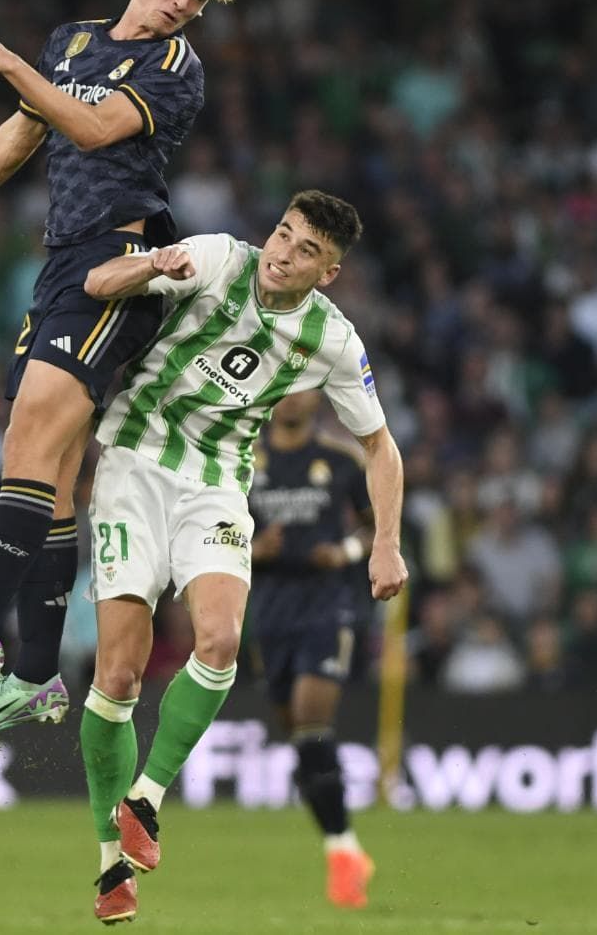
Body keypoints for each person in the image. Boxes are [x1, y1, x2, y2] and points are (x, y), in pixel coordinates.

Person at [0, 0, 244, 726]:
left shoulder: (177, 68)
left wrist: (6, 58)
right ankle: (36, 676)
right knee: (46, 484)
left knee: (25, 446)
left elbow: (90, 125)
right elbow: (27, 124)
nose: (183, 2)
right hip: (63, 266)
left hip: (121, 264)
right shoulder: (74, 42)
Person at [13, 191, 406, 923]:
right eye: (284, 233)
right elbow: (96, 283)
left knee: (221, 640)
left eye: (305, 250)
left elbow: (380, 445)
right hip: (132, 465)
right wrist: (147, 268)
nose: (284, 252)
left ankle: (147, 799)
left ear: (329, 272)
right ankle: (109, 864)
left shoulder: (332, 339)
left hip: (218, 485)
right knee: (119, 674)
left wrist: (385, 542)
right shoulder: (221, 257)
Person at [246, 387, 381, 907]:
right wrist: (254, 549)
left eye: (304, 388)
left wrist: (343, 551)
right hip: (271, 613)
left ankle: (344, 854)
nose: (292, 399)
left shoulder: (340, 460)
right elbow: (214, 531)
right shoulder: (242, 457)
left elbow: (377, 528)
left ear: (317, 396)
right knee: (301, 742)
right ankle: (342, 847)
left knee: (310, 719)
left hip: (328, 609)